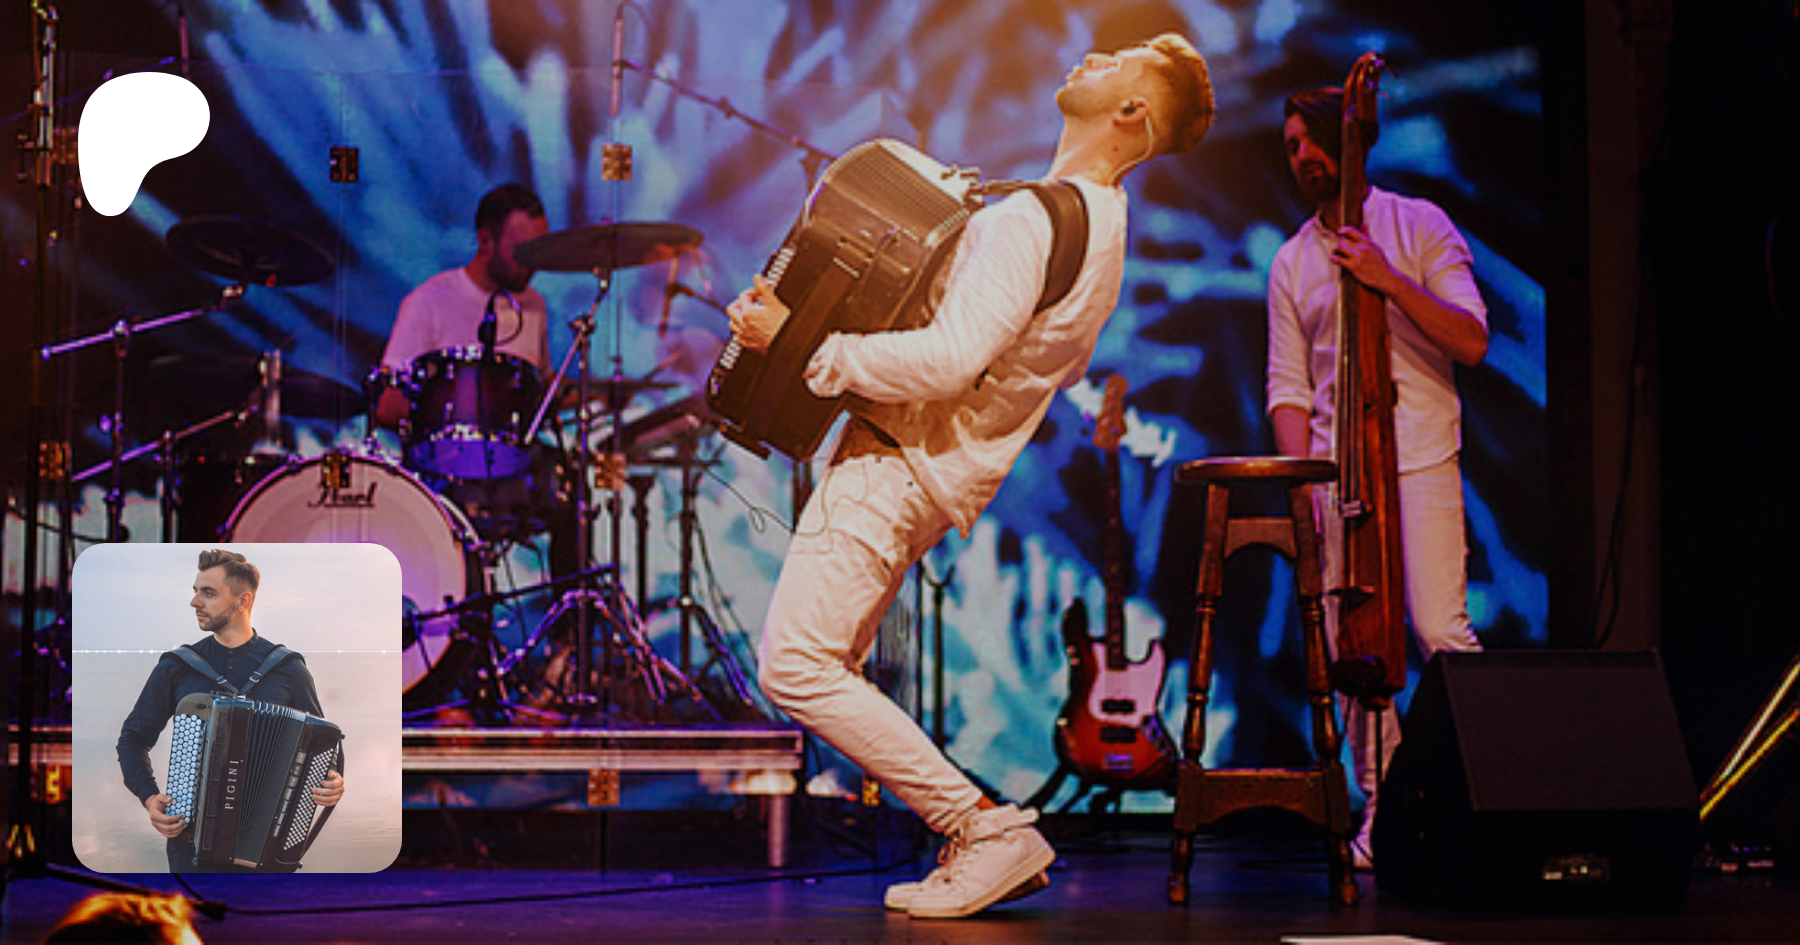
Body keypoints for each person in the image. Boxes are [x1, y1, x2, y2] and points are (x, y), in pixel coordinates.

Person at [727, 33, 1214, 918]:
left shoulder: (1036, 219)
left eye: (1116, 62)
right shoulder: (1100, 225)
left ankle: (983, 829)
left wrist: (801, 344)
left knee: (795, 665)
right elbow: (1052, 362)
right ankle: (975, 833)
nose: (1090, 58)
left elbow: (952, 359)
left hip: (898, 459)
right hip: (926, 468)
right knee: (826, 661)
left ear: (1131, 111)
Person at [1264, 86, 1488, 870]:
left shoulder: (1418, 224)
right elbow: (1288, 388)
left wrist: (1387, 278)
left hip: (1417, 456)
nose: (1301, 157)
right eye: (1290, 147)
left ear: (1349, 138)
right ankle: (1381, 811)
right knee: (1353, 652)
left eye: (1310, 140)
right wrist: (1304, 488)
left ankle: (1482, 793)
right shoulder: (1291, 261)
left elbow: (1471, 339)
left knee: (1439, 629)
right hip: (1338, 475)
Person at [116, 548, 346, 873]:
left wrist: (332, 783)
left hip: (269, 848)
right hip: (190, 844)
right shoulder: (177, 666)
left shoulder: (289, 669)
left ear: (242, 601)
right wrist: (150, 798)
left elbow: (323, 746)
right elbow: (132, 740)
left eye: (208, 593)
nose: (195, 602)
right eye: (196, 591)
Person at [375, 183, 553, 428]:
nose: (533, 262)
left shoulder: (534, 304)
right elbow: (389, 406)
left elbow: (542, 388)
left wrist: (592, 395)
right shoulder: (429, 300)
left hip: (516, 448)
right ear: (485, 241)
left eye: (540, 250)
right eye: (524, 251)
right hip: (446, 448)